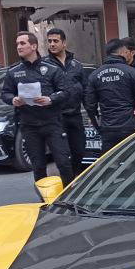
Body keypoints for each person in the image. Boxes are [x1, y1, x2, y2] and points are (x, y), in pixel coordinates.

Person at [1, 31, 75, 185]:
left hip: (52, 123)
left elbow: (66, 92)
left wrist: (50, 99)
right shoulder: (14, 72)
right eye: (17, 44)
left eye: (23, 43)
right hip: (29, 125)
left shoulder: (52, 69)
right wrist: (13, 99)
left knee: (63, 162)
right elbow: (5, 93)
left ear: (34, 46)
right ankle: (43, 196)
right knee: (38, 165)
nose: (19, 47)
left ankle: (69, 193)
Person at [84, 38, 135, 153]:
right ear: (122, 52)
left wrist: (99, 127)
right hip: (130, 127)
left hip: (108, 129)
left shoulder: (94, 75)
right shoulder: (131, 72)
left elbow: (90, 106)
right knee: (133, 159)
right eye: (126, 51)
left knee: (110, 161)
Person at [45, 27, 89, 175]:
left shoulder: (76, 65)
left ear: (64, 43)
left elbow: (86, 90)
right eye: (49, 41)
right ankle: (67, 182)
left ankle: (73, 178)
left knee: (79, 151)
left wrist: (91, 111)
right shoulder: (45, 66)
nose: (52, 44)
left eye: (55, 41)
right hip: (56, 118)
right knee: (62, 156)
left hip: (75, 116)